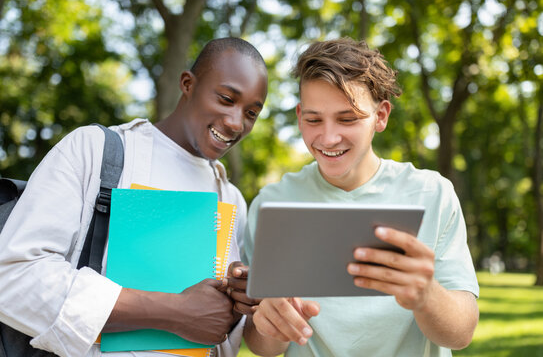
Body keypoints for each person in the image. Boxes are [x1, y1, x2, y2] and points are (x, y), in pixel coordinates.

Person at [0, 37, 268, 356]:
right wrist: (172, 310)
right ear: (187, 84)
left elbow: (216, 333)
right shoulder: (95, 152)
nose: (236, 122)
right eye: (226, 98)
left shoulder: (231, 198)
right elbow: (14, 278)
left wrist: (237, 304)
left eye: (251, 113)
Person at [241, 38, 479, 356]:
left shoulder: (432, 193)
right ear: (299, 117)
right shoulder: (272, 203)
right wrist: (274, 323)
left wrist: (426, 295)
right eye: (313, 120)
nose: (328, 137)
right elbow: (262, 346)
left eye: (347, 118)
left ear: (380, 116)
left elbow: (461, 334)